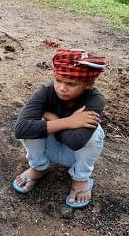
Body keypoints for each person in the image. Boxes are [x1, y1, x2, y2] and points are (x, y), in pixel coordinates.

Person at [13, 48, 106, 208]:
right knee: (30, 124)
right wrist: (69, 121)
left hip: (75, 155)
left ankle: (80, 178)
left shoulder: (94, 99)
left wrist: (54, 119)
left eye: (71, 83)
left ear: (87, 84)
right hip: (49, 150)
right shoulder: (45, 91)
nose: (62, 88)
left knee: (95, 132)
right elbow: (20, 130)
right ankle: (38, 167)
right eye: (58, 80)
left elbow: (76, 142)